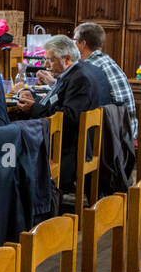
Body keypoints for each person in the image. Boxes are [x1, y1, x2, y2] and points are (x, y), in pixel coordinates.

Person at [15, 34, 110, 186]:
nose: (45, 65)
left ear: (67, 59)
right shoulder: (75, 72)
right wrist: (34, 99)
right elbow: (57, 102)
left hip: (69, 148)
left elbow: (68, 117)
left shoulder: (80, 79)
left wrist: (34, 108)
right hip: (70, 139)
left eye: (51, 60)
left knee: (14, 135)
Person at [35, 23, 136, 140]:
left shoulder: (89, 66)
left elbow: (74, 108)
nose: (72, 44)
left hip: (114, 134)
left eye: (74, 40)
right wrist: (54, 83)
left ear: (83, 44)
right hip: (124, 125)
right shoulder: (103, 59)